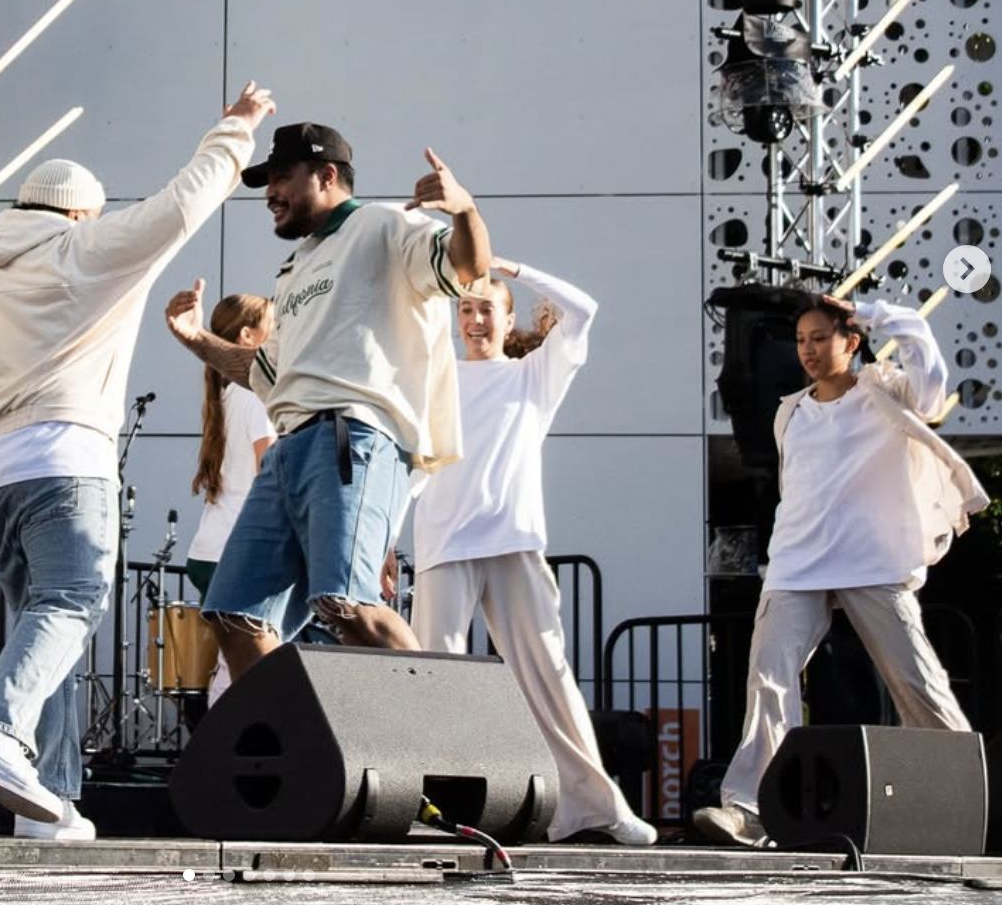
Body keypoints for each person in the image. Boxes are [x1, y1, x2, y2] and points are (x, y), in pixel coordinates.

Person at [0, 82, 275, 842]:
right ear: (80, 213)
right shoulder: (83, 250)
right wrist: (237, 131)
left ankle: (47, 802)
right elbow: (183, 203)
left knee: (48, 626)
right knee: (72, 602)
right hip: (63, 459)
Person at [164, 123, 491, 682]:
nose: (269, 192)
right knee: (233, 614)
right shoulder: (292, 272)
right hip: (290, 446)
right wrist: (197, 338)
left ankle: (442, 742)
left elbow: (468, 269)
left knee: (345, 602)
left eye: (282, 178)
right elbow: (266, 373)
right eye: (267, 181)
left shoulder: (384, 225)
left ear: (327, 175)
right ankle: (284, 756)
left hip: (354, 435)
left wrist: (464, 211)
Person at [693, 293, 987, 847]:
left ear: (850, 342)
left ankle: (970, 795)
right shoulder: (791, 411)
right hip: (797, 566)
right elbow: (795, 492)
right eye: (801, 340)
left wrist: (870, 310)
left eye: (820, 338)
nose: (807, 350)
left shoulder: (887, 390)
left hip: (872, 564)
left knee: (916, 680)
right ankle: (748, 808)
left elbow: (931, 365)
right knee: (768, 679)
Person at [405, 259, 657, 846]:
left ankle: (591, 806)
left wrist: (506, 266)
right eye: (465, 308)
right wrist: (390, 537)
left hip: (514, 541)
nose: (474, 319)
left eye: (487, 307)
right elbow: (417, 464)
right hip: (444, 541)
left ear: (508, 315)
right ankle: (437, 809)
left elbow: (584, 308)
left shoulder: (534, 375)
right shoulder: (436, 378)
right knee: (434, 676)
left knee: (548, 674)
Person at [183, 294, 277, 705]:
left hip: (212, 550)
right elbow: (269, 476)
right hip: (238, 552)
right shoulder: (255, 395)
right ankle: (223, 759)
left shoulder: (223, 396)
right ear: (247, 336)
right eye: (273, 327)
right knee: (246, 667)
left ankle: (225, 756)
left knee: (235, 662)